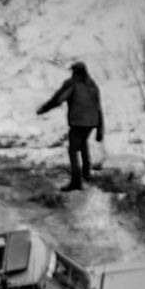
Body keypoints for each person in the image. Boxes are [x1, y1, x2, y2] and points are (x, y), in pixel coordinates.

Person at [36, 59, 103, 191]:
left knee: (73, 150)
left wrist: (43, 109)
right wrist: (100, 129)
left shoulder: (72, 83)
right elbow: (99, 108)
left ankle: (76, 181)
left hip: (78, 121)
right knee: (83, 143)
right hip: (92, 122)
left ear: (75, 72)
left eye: (73, 71)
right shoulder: (93, 86)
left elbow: (58, 99)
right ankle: (86, 172)